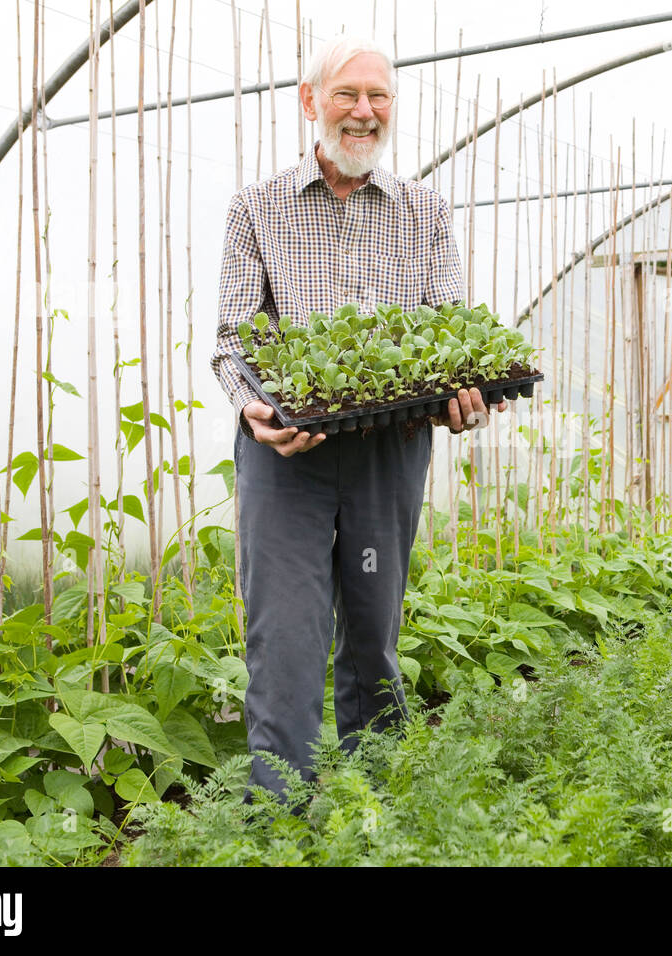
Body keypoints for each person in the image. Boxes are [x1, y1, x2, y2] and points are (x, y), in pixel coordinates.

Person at [210, 33, 505, 809]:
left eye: (379, 97)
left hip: (386, 454)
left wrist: (462, 393)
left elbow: (450, 331)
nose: (365, 111)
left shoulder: (425, 211)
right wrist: (255, 410)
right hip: (288, 459)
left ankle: (376, 810)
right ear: (312, 103)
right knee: (287, 638)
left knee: (373, 632)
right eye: (347, 94)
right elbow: (233, 343)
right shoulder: (256, 209)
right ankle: (282, 817)